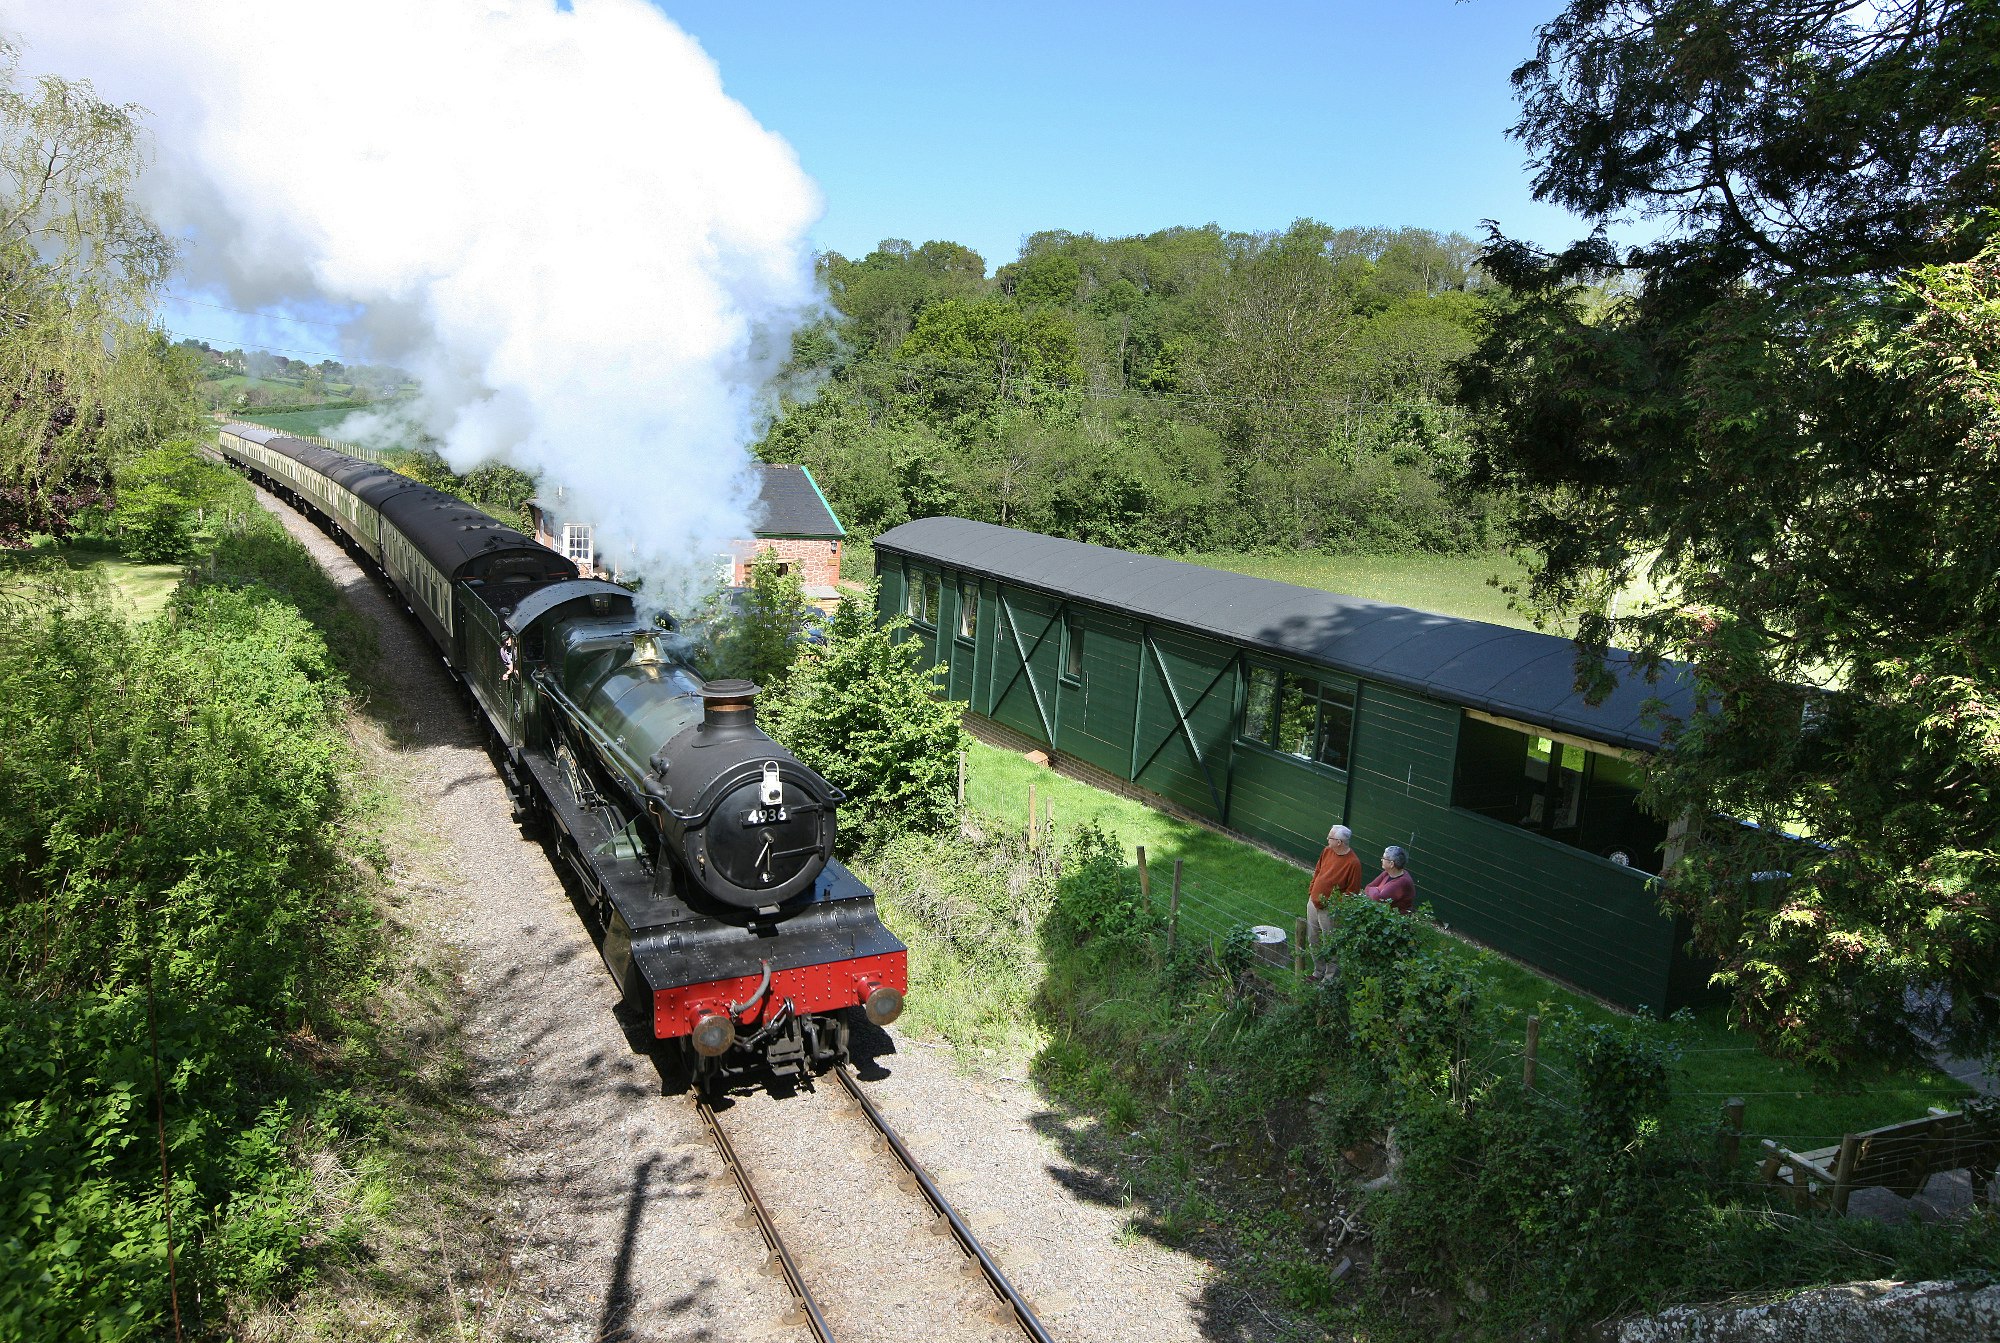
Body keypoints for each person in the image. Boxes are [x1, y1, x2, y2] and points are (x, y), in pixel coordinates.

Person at [1306, 824, 1363, 949]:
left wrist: (1333, 907)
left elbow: (1352, 892)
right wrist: (1312, 891)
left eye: (1329, 837)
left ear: (1339, 842)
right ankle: (1318, 969)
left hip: (1329, 911)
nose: (1327, 839)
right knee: (1312, 939)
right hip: (1313, 903)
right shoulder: (1327, 851)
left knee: (1330, 943)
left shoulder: (1353, 863)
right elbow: (1317, 871)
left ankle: (1331, 969)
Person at [1364, 845, 1416, 915]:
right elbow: (1367, 887)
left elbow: (1378, 899)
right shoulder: (1387, 873)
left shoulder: (1402, 882)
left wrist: (1374, 890)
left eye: (1384, 858)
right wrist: (1376, 891)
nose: (1381, 860)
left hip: (1395, 921)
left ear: (1391, 864)